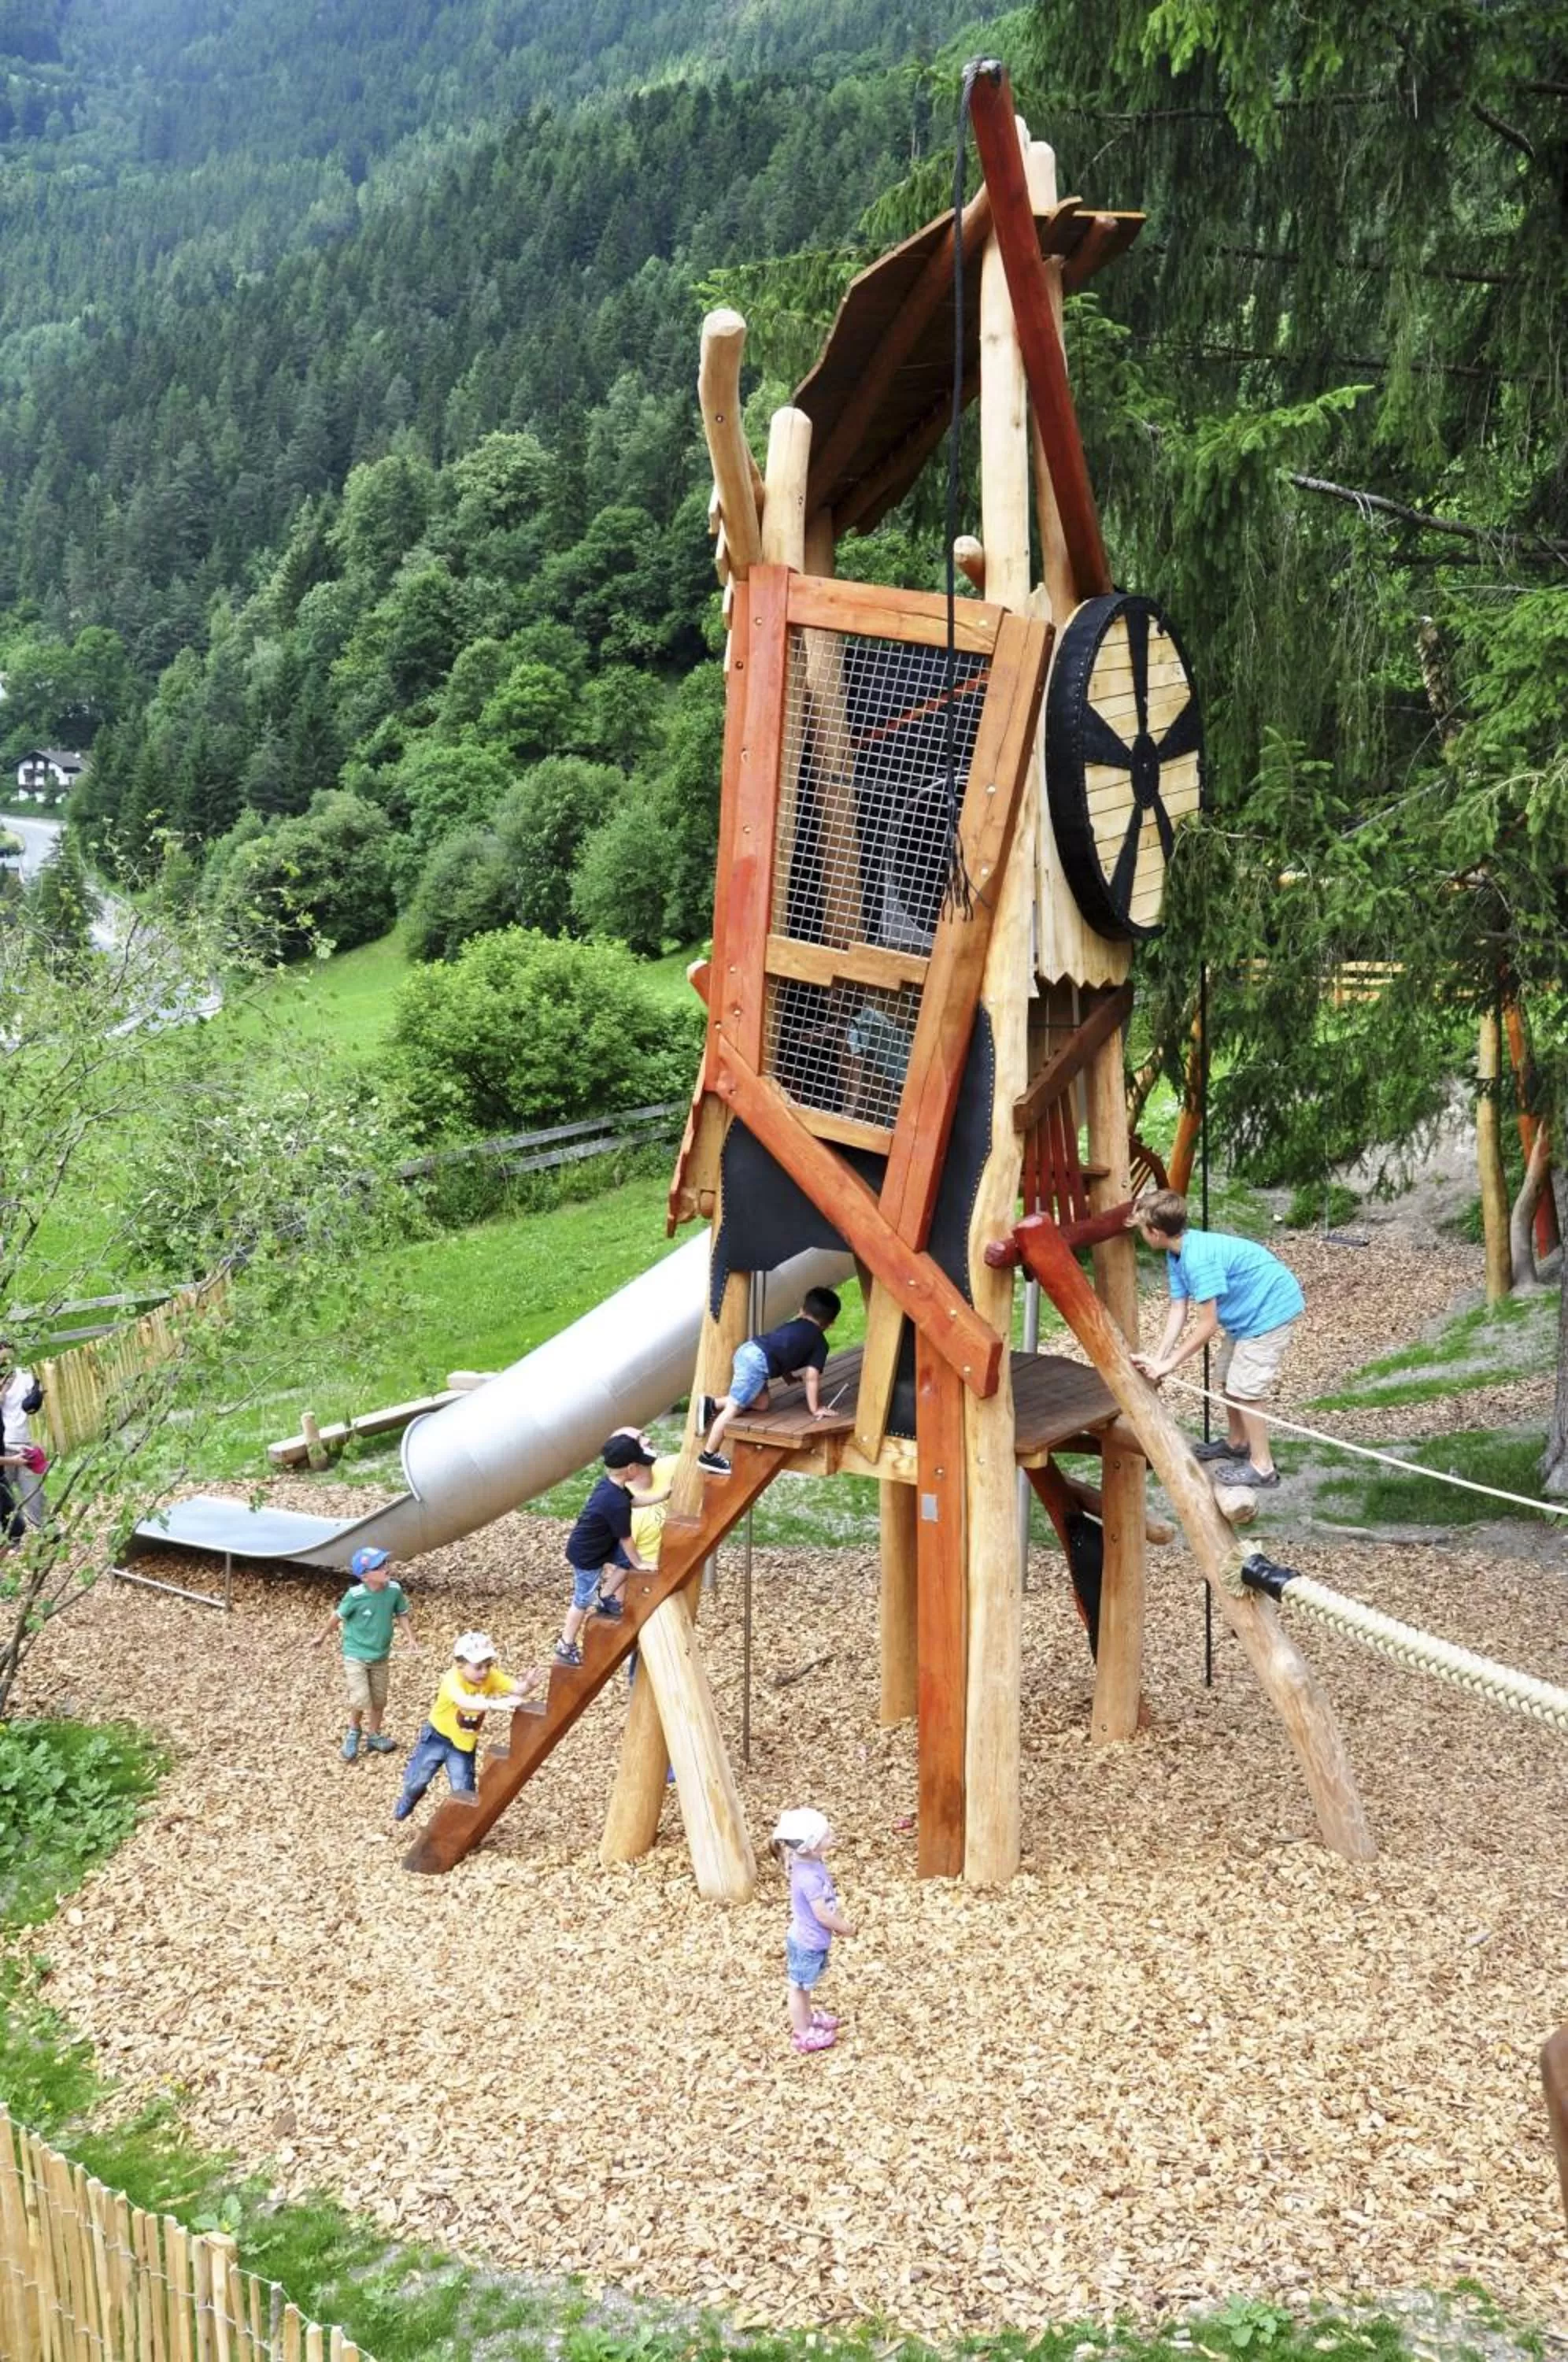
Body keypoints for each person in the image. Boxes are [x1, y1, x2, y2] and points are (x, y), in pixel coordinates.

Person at [1127, 1189, 1305, 1489]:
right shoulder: (1176, 1253)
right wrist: (1160, 1359)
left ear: (1155, 1233)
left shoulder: (1198, 1260)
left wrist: (1170, 1364)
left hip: (1270, 1310)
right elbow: (1178, 1308)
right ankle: (1237, 1444)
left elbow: (1207, 1325)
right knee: (1228, 1380)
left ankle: (1263, 1467)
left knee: (1247, 1390)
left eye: (1142, 1229)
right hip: (1246, 1317)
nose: (1141, 1234)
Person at [393, 1632, 542, 1822]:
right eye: (478, 1667)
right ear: (460, 1666)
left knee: (463, 1790)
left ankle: (460, 1825)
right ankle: (411, 1796)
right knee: (416, 1781)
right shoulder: (452, 1679)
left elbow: (517, 1689)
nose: (485, 1672)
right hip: (436, 1737)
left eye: (488, 1666)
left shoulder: (490, 1677)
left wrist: (528, 1684)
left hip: (463, 1745)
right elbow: (463, 1700)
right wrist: (494, 1704)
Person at [553, 1434, 671, 1668]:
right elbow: (626, 1538)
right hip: (588, 1555)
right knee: (582, 1599)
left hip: (602, 1545)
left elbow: (634, 1501)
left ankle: (606, 1595)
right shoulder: (614, 1502)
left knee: (625, 1562)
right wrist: (640, 1563)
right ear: (630, 1468)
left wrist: (662, 1496)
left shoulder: (615, 1488)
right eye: (638, 1463)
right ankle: (565, 1645)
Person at [697, 1287, 842, 1475]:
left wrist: (788, 1377)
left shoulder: (793, 1325)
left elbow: (783, 1349)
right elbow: (812, 1377)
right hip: (758, 1364)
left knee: (762, 1404)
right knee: (734, 1407)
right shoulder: (820, 1343)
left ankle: (713, 1404)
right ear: (831, 1324)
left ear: (802, 1310)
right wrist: (816, 1409)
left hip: (750, 1352)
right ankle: (708, 1455)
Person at [312, 1544, 416, 1762]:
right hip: (356, 1654)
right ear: (366, 1576)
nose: (386, 1568)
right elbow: (337, 1617)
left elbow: (402, 1613)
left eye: (385, 1563)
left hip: (380, 1655)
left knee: (379, 1699)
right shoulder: (355, 1595)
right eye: (380, 1566)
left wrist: (410, 1638)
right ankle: (353, 1732)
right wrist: (321, 1637)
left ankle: (374, 1735)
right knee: (360, 1699)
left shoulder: (394, 1590)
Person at [771, 1806, 856, 2054]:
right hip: (807, 1942)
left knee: (805, 1985)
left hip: (814, 1940)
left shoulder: (809, 1859)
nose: (833, 1837)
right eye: (826, 1836)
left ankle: (808, 2018)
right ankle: (802, 2033)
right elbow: (822, 1914)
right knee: (798, 1987)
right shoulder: (807, 1876)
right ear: (810, 1846)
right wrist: (845, 1927)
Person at [0, 1340, 46, 1531]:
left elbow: (33, 1403)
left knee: (34, 1492)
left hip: (23, 1443)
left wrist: (38, 1395)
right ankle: (11, 1538)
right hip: (3, 1448)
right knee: (4, 1499)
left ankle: (45, 1531)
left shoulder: (25, 1376)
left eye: (8, 1356)